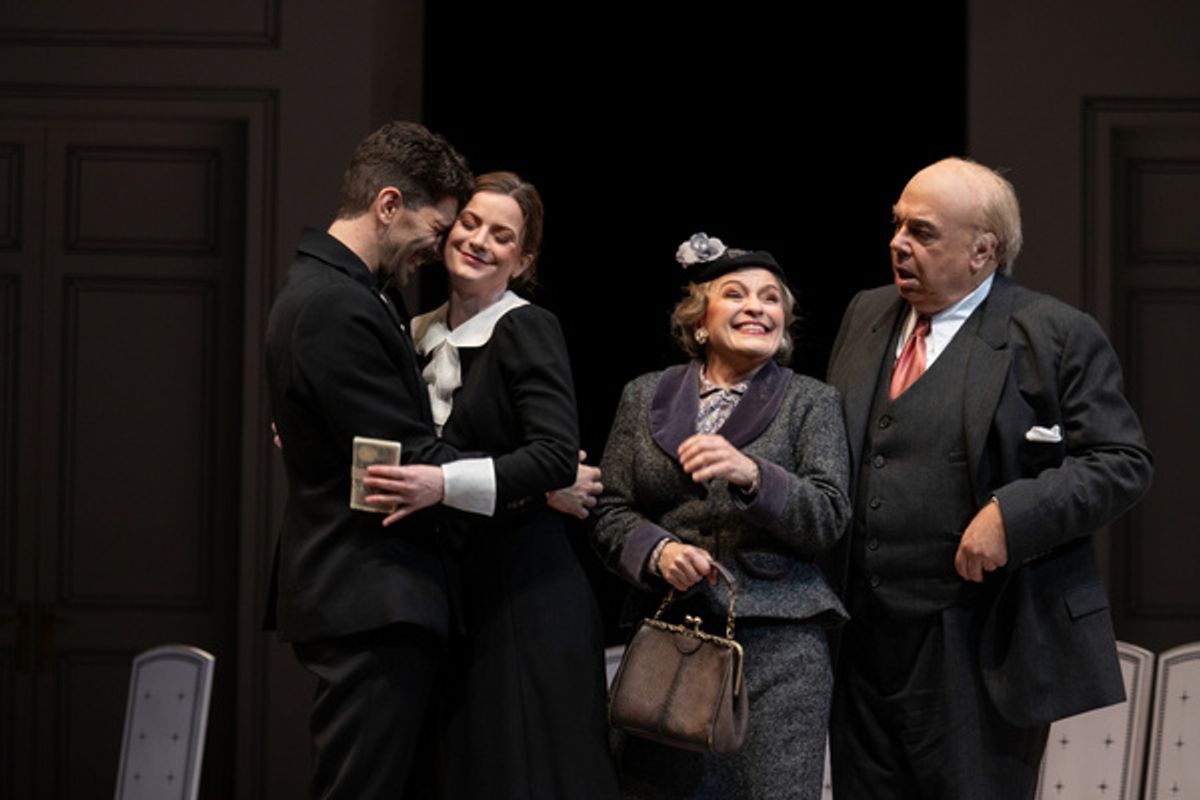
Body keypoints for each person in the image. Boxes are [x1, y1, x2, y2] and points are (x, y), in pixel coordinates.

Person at [825, 157, 1154, 799]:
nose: (897, 243)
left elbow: (1122, 461)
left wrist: (1012, 514)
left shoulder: (1053, 334)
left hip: (977, 642)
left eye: (921, 232)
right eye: (896, 226)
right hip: (862, 640)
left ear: (983, 251)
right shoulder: (866, 314)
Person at [361, 172, 620, 799]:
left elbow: (557, 454)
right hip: (448, 590)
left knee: (524, 772)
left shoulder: (526, 327)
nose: (479, 241)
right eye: (471, 223)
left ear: (523, 259)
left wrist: (448, 483)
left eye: (502, 236)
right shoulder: (416, 332)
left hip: (523, 595)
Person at [264, 121, 489, 799]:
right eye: (437, 224)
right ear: (388, 204)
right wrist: (532, 474)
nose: (441, 245)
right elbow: (400, 457)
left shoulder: (352, 294)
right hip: (368, 591)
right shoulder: (335, 303)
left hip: (374, 592)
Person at [590, 234, 851, 799]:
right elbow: (609, 509)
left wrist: (753, 474)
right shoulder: (644, 396)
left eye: (771, 298)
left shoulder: (812, 402)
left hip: (779, 651)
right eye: (735, 294)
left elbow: (830, 517)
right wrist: (657, 551)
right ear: (700, 321)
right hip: (671, 641)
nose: (757, 306)